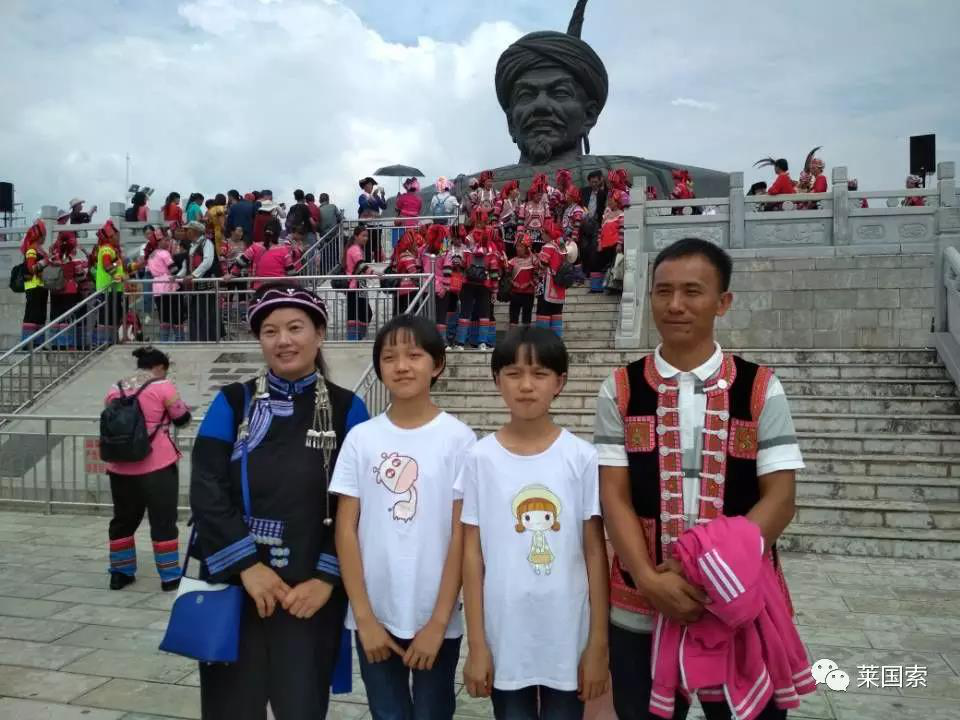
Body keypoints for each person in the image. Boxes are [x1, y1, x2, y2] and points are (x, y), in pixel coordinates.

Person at [594, 238, 805, 720]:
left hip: (739, 602)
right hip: (640, 602)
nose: (675, 305)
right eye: (663, 291)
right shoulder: (619, 389)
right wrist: (649, 579)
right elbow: (614, 495)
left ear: (722, 302)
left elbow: (780, 499)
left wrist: (709, 571)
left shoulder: (760, 387)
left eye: (692, 291)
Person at [190, 283, 369, 720]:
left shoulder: (349, 409)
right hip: (236, 586)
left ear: (320, 334)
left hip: (308, 593)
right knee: (230, 708)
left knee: (301, 706)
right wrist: (248, 567)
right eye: (270, 331)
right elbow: (206, 488)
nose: (283, 340)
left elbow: (358, 506)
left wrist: (326, 579)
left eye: (295, 328)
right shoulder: (232, 403)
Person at [457, 327, 609, 720]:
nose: (526, 385)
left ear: (560, 382)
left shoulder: (582, 458)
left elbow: (595, 553)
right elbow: (472, 556)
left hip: (567, 637)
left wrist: (598, 644)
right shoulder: (480, 459)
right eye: (513, 373)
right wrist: (477, 645)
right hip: (505, 637)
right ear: (497, 380)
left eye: (540, 374)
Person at [332, 315, 475, 720]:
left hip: (436, 616)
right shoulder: (362, 438)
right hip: (373, 614)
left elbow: (462, 535)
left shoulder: (459, 439)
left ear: (437, 364)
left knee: (433, 711)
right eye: (389, 357)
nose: (401, 366)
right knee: (387, 712)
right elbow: (346, 528)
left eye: (414, 355)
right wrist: (364, 617)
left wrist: (439, 622)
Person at [105, 347, 191, 591]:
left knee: (123, 520)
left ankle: (120, 574)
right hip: (158, 466)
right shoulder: (163, 386)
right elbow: (182, 418)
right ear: (160, 367)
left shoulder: (116, 388)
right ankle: (169, 577)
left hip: (120, 467)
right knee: (163, 520)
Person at [455, 212, 503, 351]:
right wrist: (495, 290)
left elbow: (461, 265)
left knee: (465, 313)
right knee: (484, 314)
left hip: (468, 283)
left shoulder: (467, 241)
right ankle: (482, 342)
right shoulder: (491, 246)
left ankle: (460, 343)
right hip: (484, 284)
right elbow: (494, 269)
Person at [183, 221, 222, 341]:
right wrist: (178, 275)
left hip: (206, 286)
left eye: (188, 230)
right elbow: (187, 264)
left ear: (195, 231)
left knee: (207, 313)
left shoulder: (206, 243)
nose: (186, 232)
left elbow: (207, 262)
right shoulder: (192, 245)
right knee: (196, 313)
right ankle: (198, 339)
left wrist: (194, 275)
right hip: (195, 287)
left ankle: (210, 339)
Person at [94, 219, 126, 345]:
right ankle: (104, 343)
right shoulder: (106, 249)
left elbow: (114, 265)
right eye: (116, 235)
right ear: (110, 237)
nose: (118, 237)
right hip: (107, 288)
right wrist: (118, 276)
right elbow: (107, 266)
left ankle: (111, 342)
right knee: (106, 317)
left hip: (114, 289)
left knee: (113, 317)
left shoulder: (112, 249)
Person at [147, 231, 183, 342]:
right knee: (177, 317)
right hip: (169, 287)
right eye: (165, 240)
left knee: (164, 318)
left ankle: (164, 343)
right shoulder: (164, 253)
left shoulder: (151, 255)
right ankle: (180, 342)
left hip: (157, 289)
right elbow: (173, 269)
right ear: (159, 242)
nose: (168, 242)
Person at [589, 189, 626, 293]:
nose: (609, 202)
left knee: (614, 266)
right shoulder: (606, 215)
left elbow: (622, 230)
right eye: (609, 200)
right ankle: (598, 287)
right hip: (604, 246)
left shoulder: (621, 214)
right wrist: (599, 242)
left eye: (611, 200)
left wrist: (619, 244)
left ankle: (614, 288)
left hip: (615, 246)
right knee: (600, 263)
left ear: (617, 201)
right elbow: (601, 230)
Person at [536, 220, 568, 338]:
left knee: (543, 313)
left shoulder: (548, 247)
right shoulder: (561, 247)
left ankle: (543, 340)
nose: (541, 236)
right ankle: (556, 341)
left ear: (547, 234)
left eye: (543, 233)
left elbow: (542, 264)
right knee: (556, 315)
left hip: (548, 285)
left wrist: (536, 259)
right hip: (559, 288)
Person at [344, 225, 376, 341]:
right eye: (363, 236)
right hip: (355, 286)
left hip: (359, 285)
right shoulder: (355, 249)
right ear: (356, 236)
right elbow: (360, 264)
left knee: (362, 314)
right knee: (358, 314)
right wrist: (374, 273)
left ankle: (356, 338)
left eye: (367, 236)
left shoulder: (355, 248)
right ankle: (354, 339)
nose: (366, 238)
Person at [19, 219, 49, 343]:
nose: (44, 238)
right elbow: (31, 268)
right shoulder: (31, 250)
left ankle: (39, 343)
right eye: (44, 235)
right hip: (33, 286)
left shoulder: (40, 249)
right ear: (39, 236)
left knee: (41, 316)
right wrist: (44, 262)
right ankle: (28, 343)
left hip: (41, 286)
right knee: (32, 315)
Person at [438, 226, 468, 348]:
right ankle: (449, 336)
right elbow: (441, 262)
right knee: (450, 308)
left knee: (462, 310)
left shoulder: (466, 249)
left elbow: (469, 264)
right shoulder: (446, 248)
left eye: (460, 238)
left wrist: (461, 264)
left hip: (463, 282)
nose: (458, 240)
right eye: (456, 238)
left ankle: (460, 338)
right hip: (449, 282)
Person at [507, 235, 539, 332]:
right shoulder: (512, 261)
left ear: (527, 247)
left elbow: (538, 276)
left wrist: (529, 283)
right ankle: (512, 338)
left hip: (528, 294)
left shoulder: (534, 260)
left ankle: (525, 338)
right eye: (517, 246)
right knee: (513, 318)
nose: (518, 248)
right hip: (515, 293)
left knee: (527, 318)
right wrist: (513, 283)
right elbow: (506, 277)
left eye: (521, 246)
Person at [518, 174, 551, 253]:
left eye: (541, 195)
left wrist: (547, 234)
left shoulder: (545, 206)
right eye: (538, 194)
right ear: (533, 194)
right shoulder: (524, 206)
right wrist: (519, 236)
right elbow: (520, 222)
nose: (540, 197)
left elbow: (548, 222)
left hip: (541, 237)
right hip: (527, 236)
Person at [391, 230, 420, 317]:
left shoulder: (400, 254)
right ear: (411, 244)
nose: (417, 245)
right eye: (415, 243)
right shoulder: (407, 256)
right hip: (408, 290)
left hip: (400, 290)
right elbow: (414, 274)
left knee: (399, 316)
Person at [494, 180, 521, 259]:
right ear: (510, 191)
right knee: (504, 255)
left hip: (514, 234)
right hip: (503, 234)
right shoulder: (501, 202)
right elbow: (494, 217)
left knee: (513, 255)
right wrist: (496, 229)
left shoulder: (518, 203)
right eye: (516, 189)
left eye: (518, 189)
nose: (518, 191)